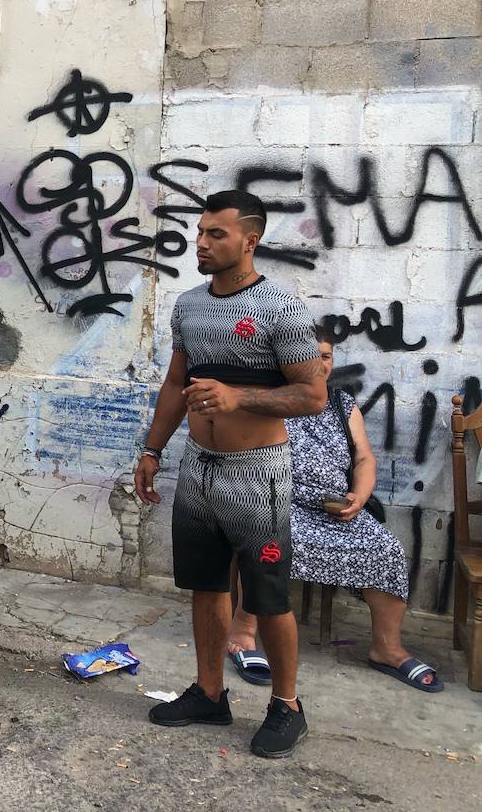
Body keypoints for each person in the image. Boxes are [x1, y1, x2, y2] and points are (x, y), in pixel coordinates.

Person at [135, 190, 326, 759]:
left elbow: (313, 395)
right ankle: (210, 693)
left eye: (217, 234)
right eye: (200, 232)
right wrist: (152, 449)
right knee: (205, 585)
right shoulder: (189, 305)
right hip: (199, 467)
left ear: (251, 239)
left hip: (257, 473)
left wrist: (238, 395)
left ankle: (286, 706)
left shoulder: (281, 308)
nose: (202, 243)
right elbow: (175, 385)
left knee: (267, 597)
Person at [227, 325, 443, 693]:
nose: (319, 363)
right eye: (311, 355)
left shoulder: (343, 405)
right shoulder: (269, 398)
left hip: (335, 508)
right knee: (269, 536)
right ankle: (243, 633)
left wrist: (359, 497)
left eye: (325, 356)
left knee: (386, 549)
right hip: (279, 501)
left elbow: (364, 459)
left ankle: (386, 648)